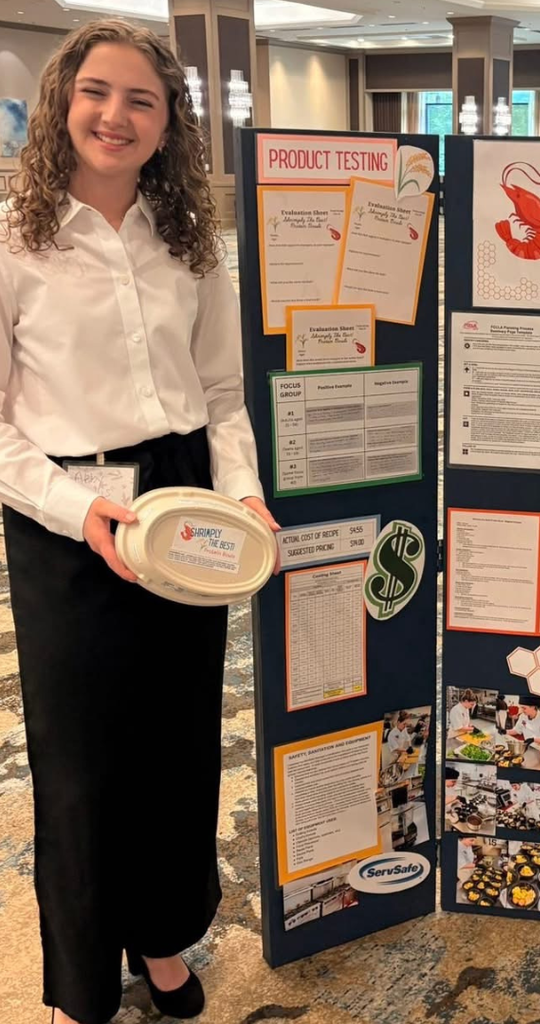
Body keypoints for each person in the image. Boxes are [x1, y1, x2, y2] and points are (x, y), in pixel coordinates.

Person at [0, 21, 279, 1024]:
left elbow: (222, 397)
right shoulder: (12, 244)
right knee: (81, 768)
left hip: (181, 501)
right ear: (62, 104)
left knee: (173, 748)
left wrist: (244, 495)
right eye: (96, 93)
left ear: (169, 126)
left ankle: (162, 941)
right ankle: (81, 982)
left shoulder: (189, 245)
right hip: (64, 514)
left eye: (142, 101)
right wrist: (84, 513)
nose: (115, 116)